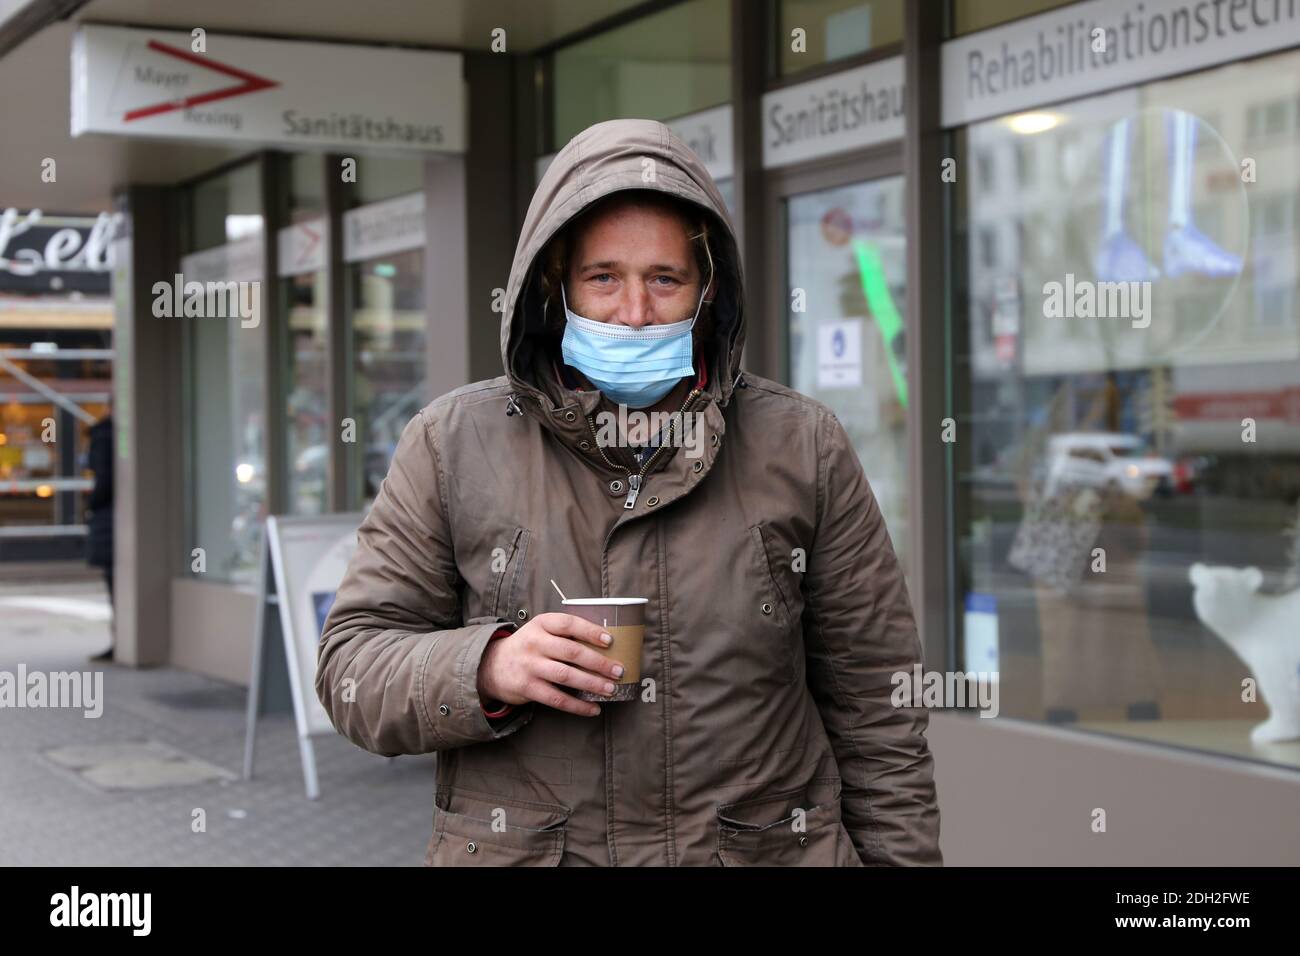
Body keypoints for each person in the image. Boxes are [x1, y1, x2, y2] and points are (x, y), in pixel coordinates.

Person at [317, 118, 941, 866]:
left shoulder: (801, 445)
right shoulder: (454, 443)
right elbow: (350, 668)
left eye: (665, 279)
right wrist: (486, 667)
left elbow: (880, 704)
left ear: (708, 292)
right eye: (604, 277)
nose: (635, 312)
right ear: (557, 287)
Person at [85, 400, 115, 662]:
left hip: (111, 519)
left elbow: (103, 480)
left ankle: (121, 639)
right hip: (115, 519)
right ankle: (122, 638)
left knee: (115, 580)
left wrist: (92, 503)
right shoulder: (109, 434)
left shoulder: (104, 434)